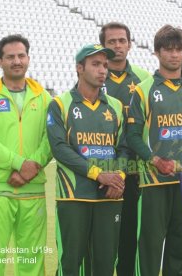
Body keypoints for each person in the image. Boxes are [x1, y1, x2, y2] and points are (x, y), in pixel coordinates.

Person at [127, 25, 182, 276]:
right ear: (157, 52)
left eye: (179, 49)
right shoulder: (143, 89)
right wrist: (154, 160)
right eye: (168, 49)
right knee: (150, 248)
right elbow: (132, 136)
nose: (174, 55)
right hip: (153, 182)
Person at [46, 44, 127, 275]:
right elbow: (60, 148)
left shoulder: (116, 107)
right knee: (71, 264)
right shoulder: (60, 104)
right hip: (74, 196)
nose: (103, 70)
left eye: (104, 65)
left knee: (105, 264)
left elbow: (124, 148)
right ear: (79, 68)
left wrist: (118, 178)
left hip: (110, 196)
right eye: (95, 64)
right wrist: (99, 174)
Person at [99, 22, 150, 276]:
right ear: (103, 46)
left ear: (130, 44)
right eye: (112, 42)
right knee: (102, 241)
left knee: (130, 239)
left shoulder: (144, 79)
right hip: (100, 171)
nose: (117, 46)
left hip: (133, 172)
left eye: (122, 41)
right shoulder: (94, 76)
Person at [0, 34, 52, 275]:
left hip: (33, 192)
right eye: (10, 57)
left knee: (31, 261)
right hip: (0, 189)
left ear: (28, 58)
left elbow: (51, 139)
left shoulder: (44, 98)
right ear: (0, 62)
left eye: (21, 55)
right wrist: (21, 164)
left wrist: (32, 167)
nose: (16, 61)